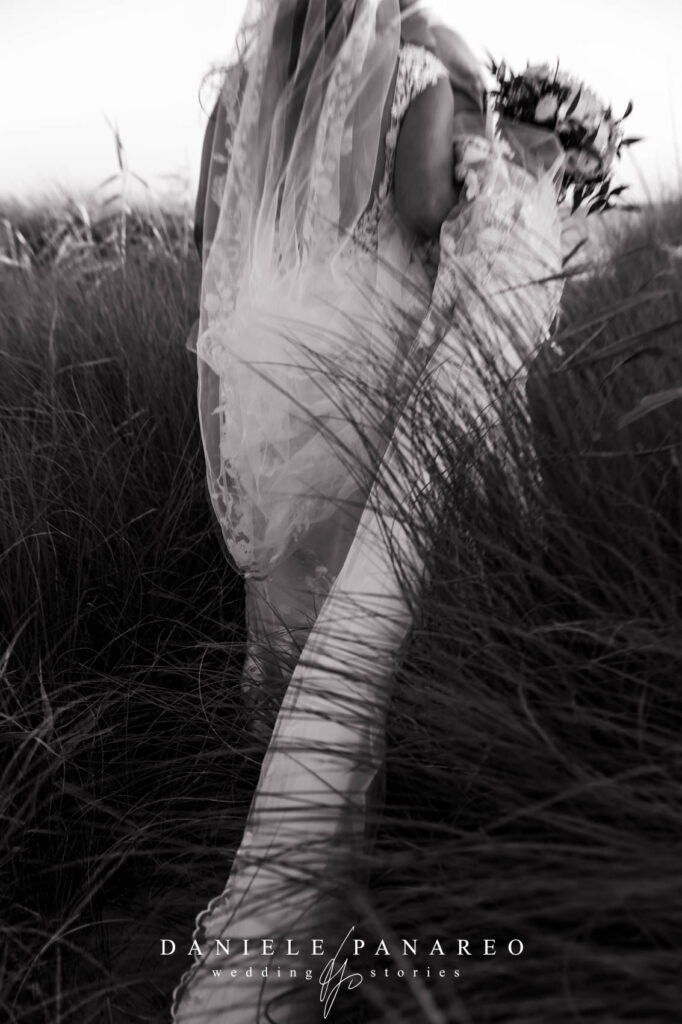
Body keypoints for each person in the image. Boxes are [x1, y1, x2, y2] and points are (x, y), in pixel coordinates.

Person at [171, 2, 565, 1020]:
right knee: (357, 641)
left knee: (282, 617)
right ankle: (328, 897)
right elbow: (428, 213)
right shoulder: (414, 81)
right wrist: (520, 171)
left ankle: (279, 839)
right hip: (363, 376)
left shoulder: (233, 95)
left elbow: (208, 238)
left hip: (262, 378)